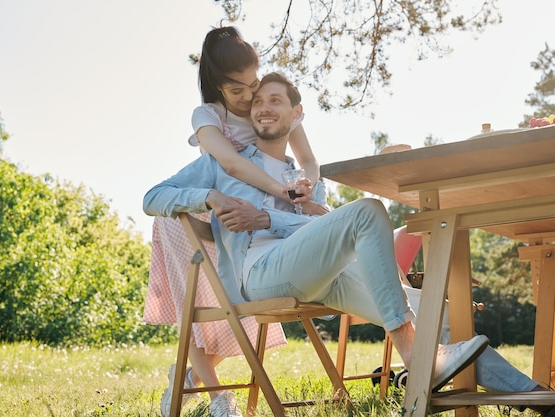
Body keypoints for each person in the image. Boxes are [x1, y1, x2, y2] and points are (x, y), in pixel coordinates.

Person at [143, 72, 491, 409]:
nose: (263, 107)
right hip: (262, 274)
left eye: (274, 100)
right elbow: (152, 197)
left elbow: (325, 231)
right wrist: (210, 197)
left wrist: (280, 216)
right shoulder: (224, 165)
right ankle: (415, 355)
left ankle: (533, 397)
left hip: (322, 275)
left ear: (296, 114)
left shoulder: (306, 179)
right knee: (368, 210)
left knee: (441, 313)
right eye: (258, 101)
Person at [143, 26, 324, 417]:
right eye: (236, 90)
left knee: (228, 299)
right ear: (217, 87)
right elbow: (230, 163)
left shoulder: (268, 103)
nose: (248, 98)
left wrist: (306, 186)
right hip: (192, 211)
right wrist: (282, 193)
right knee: (195, 298)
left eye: (252, 84)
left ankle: (191, 376)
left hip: (243, 218)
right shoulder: (208, 116)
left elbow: (308, 160)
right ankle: (217, 398)